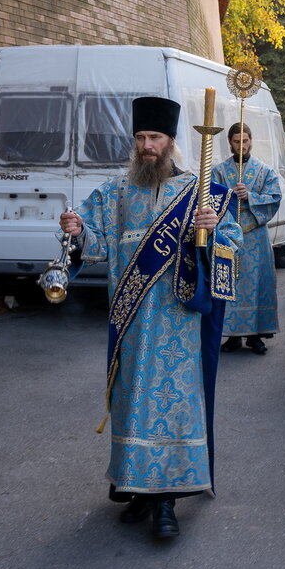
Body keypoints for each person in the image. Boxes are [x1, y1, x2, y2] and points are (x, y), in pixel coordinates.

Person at [59, 96, 240, 540]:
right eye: (140, 137)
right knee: (132, 404)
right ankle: (137, 488)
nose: (146, 146)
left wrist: (213, 229)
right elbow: (95, 240)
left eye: (154, 137)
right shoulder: (116, 191)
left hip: (179, 323)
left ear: (171, 141)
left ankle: (166, 502)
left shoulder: (202, 191)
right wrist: (78, 230)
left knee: (173, 409)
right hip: (132, 321)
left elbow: (231, 248)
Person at [213, 123, 282, 354]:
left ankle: (256, 335)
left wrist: (249, 196)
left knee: (257, 284)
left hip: (255, 236)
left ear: (251, 141)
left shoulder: (264, 171)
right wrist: (229, 196)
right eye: (236, 141)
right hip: (229, 237)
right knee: (231, 284)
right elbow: (212, 199)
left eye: (245, 140)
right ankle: (232, 335)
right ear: (230, 143)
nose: (241, 145)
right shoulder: (220, 171)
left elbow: (274, 197)